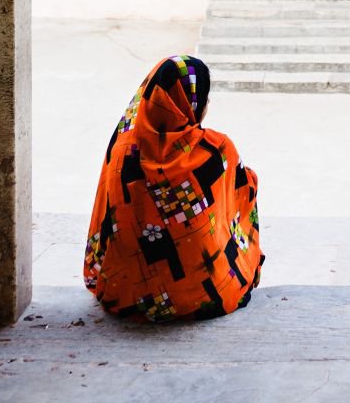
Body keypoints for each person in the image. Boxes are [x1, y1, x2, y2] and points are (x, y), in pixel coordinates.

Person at [83, 55, 263, 321]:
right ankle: (214, 279)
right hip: (205, 294)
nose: (207, 104)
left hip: (127, 293)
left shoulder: (123, 150)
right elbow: (240, 193)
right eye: (205, 97)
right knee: (245, 180)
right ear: (189, 101)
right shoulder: (214, 150)